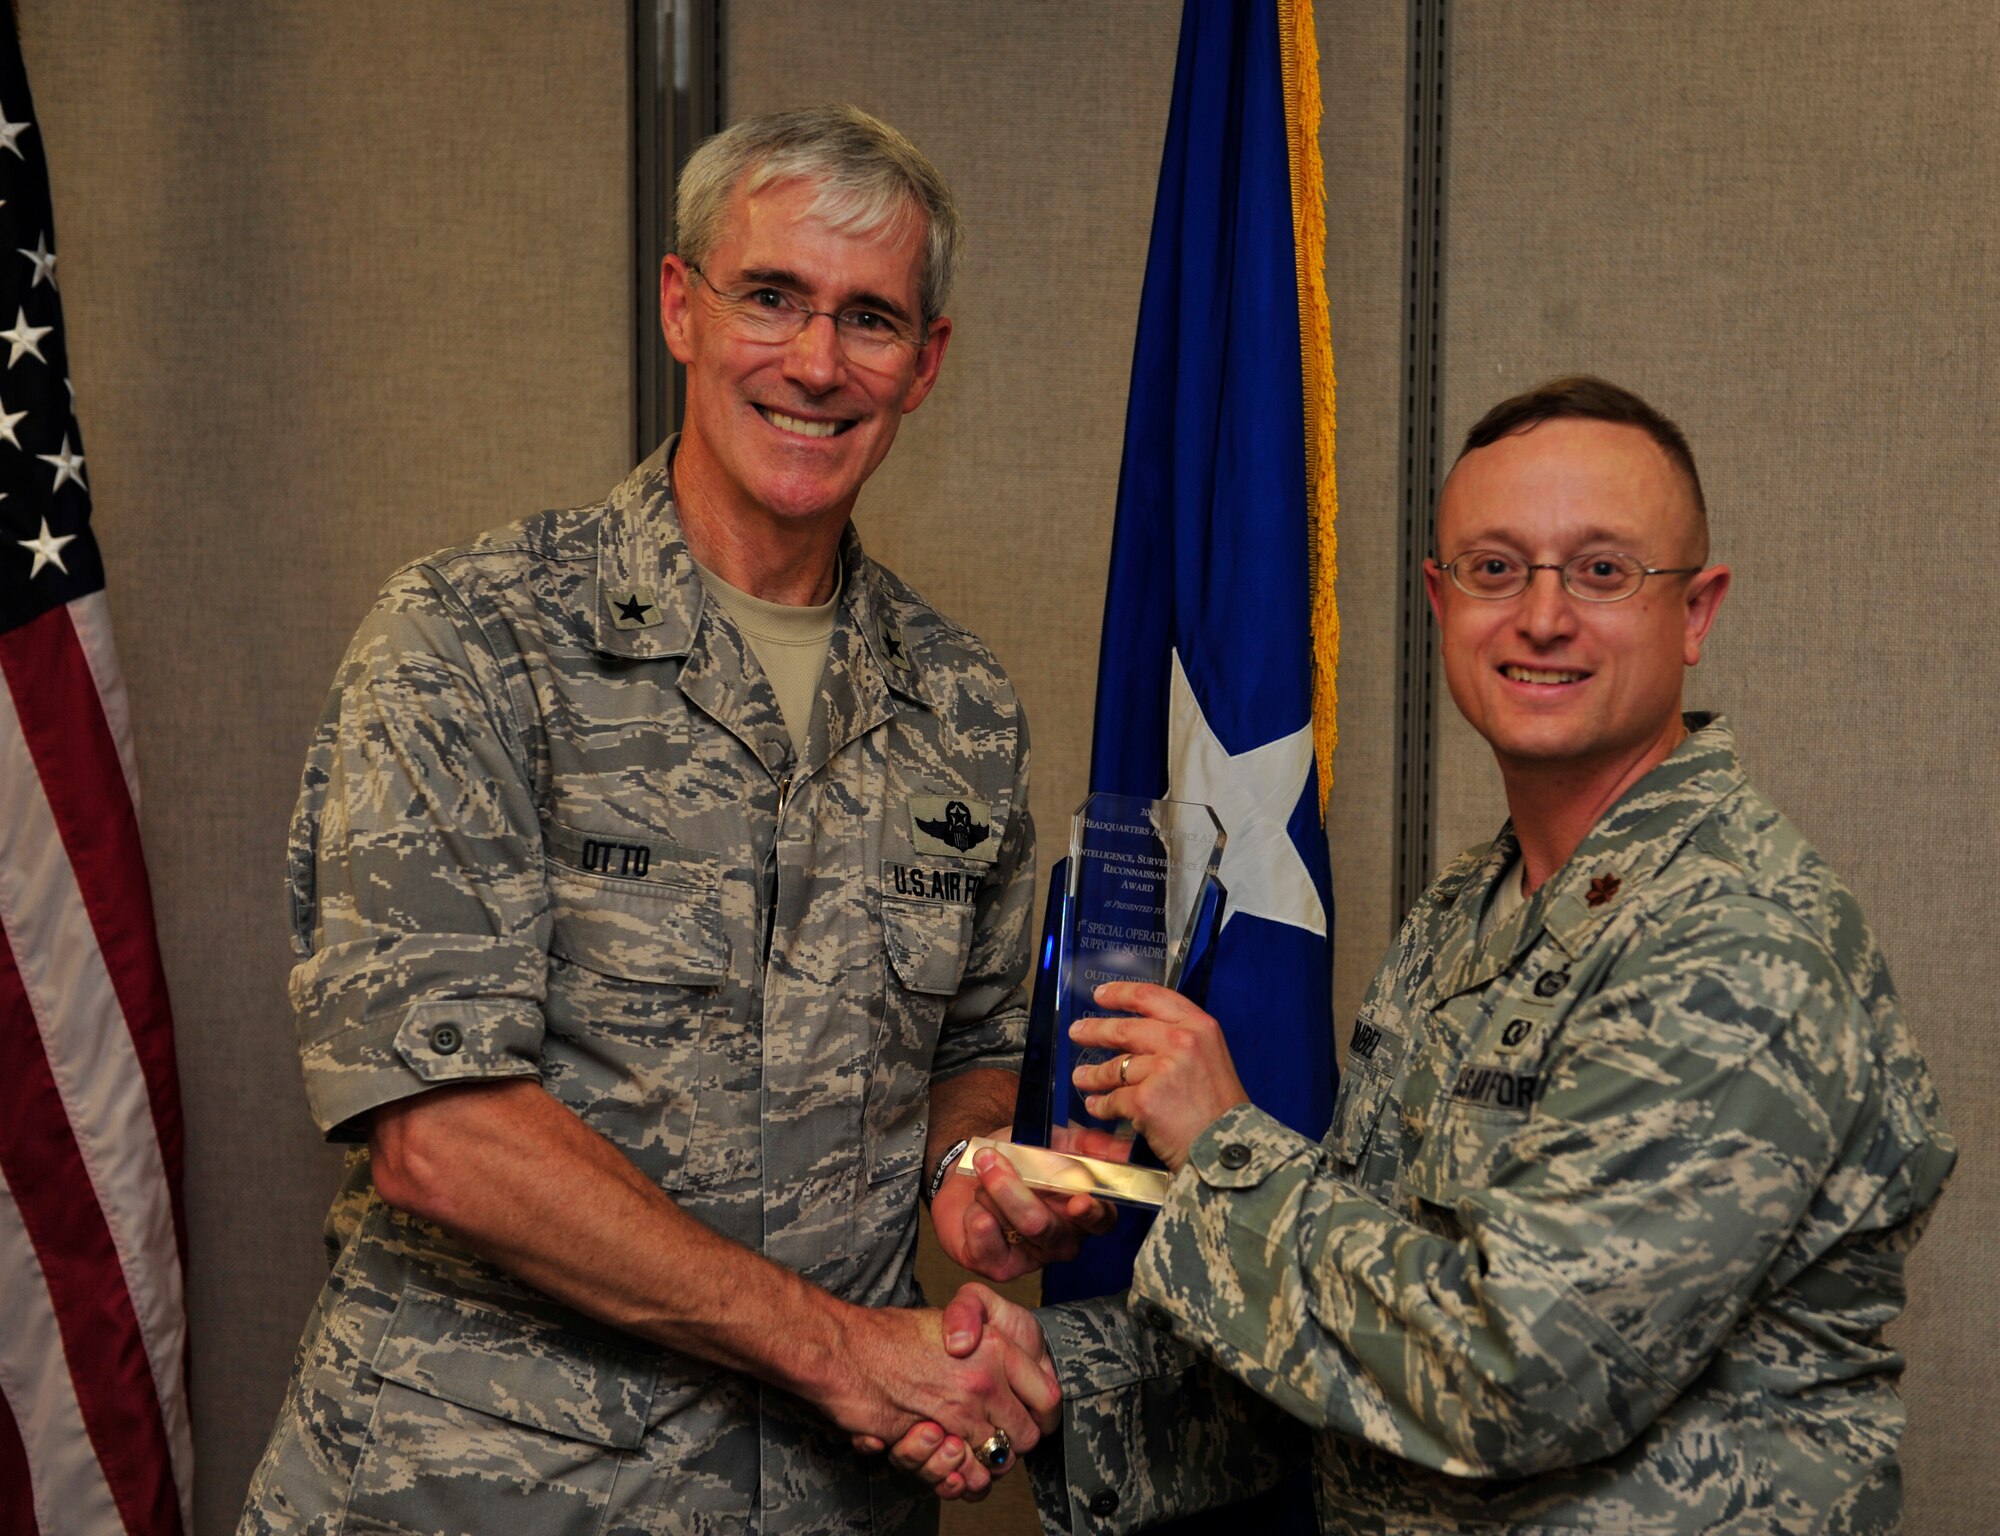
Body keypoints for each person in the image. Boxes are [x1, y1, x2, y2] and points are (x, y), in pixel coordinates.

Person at [242, 105, 1110, 1535]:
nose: (817, 362)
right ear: (679, 307)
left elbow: (970, 1050)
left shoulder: (959, 705)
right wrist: (848, 1357)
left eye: (871, 318)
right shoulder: (472, 641)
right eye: (770, 296)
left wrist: (973, 1171)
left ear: (926, 362)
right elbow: (441, 1134)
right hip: (485, 1499)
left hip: (826, 1501)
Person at [893, 376, 1957, 1534]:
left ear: (1695, 612)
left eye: (1601, 570)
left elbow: (1518, 1380)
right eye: (1494, 568)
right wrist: (1043, 1378)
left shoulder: (1733, 940)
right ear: (1440, 603)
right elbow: (1357, 1333)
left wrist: (1222, 1145)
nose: (1540, 616)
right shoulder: (1465, 911)